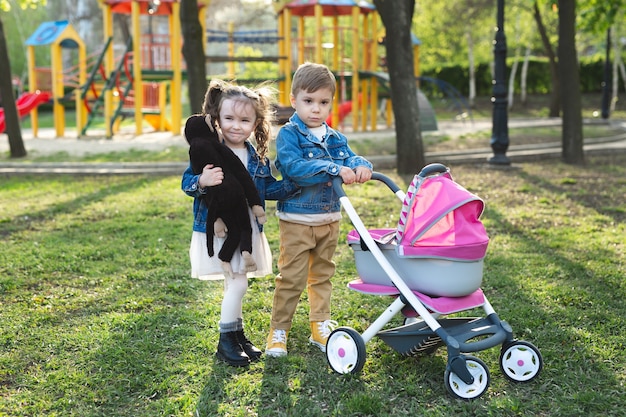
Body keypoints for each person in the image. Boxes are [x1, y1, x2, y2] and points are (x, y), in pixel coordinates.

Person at [182, 79, 299, 367]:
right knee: (238, 284)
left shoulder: (256, 157)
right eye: (229, 118)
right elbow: (187, 182)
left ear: (255, 123)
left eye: (244, 120)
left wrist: (296, 184)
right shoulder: (209, 148)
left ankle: (236, 335)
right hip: (220, 228)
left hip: (247, 227)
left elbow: (266, 189)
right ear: (217, 119)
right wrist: (202, 181)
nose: (236, 125)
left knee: (234, 283)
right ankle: (225, 341)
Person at [265, 62, 373, 357]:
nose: (316, 109)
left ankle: (320, 324)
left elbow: (350, 158)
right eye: (308, 101)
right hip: (297, 219)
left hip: (329, 219)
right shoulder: (290, 135)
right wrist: (333, 167)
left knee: (322, 275)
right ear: (294, 100)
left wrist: (360, 165)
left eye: (323, 102)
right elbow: (295, 168)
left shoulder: (335, 138)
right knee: (292, 278)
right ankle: (279, 330)